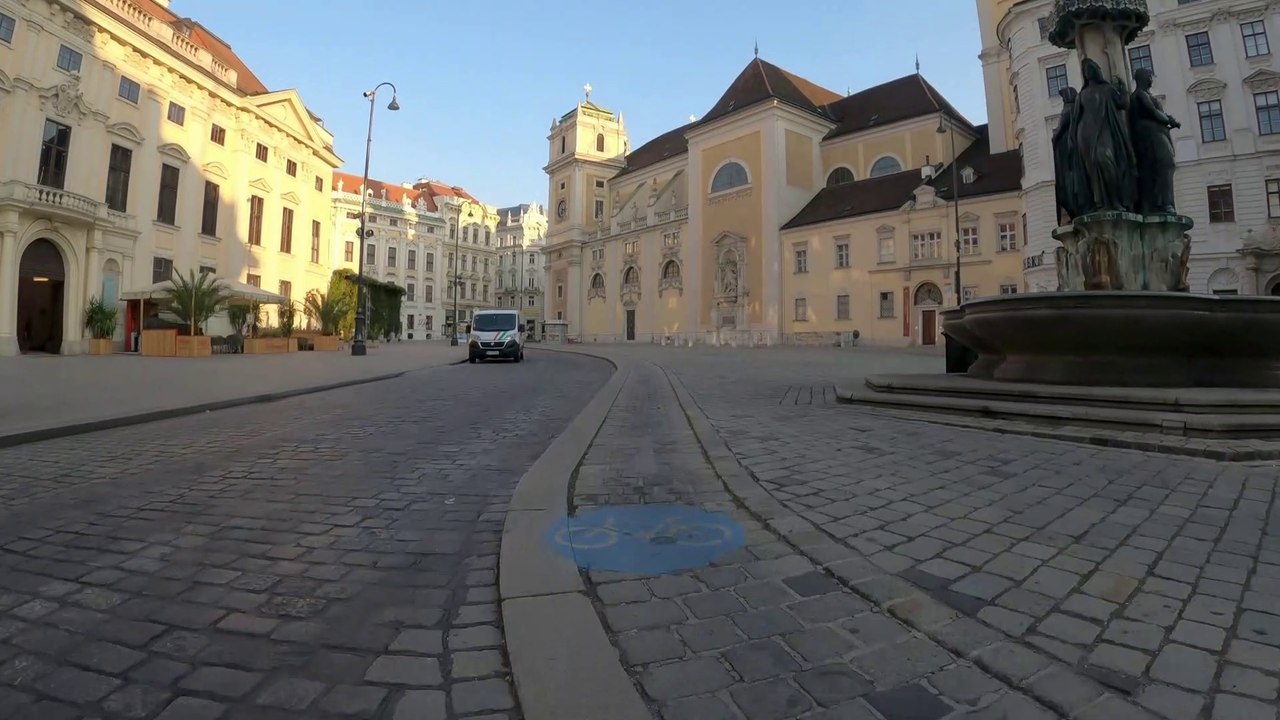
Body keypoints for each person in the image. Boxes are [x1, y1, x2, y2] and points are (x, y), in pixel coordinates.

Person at [1072, 58, 1137, 213]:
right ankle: (1099, 202)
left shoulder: (1107, 89)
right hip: (1086, 134)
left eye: (1091, 69)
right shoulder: (1081, 95)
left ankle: (1115, 201)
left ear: (1097, 71)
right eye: (1086, 70)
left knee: (1107, 163)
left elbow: (1123, 104)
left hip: (1103, 129)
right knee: (1092, 169)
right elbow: (1075, 118)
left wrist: (1123, 90)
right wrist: (1073, 139)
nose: (1088, 72)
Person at [1130, 67, 1181, 214]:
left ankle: (1164, 202)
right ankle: (1163, 204)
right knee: (1165, 164)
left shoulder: (1145, 94)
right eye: (1149, 76)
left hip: (1157, 134)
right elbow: (1153, 112)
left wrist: (1167, 120)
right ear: (1143, 78)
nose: (1151, 79)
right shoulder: (1139, 95)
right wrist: (1170, 120)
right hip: (1150, 136)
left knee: (1165, 166)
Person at [1052, 86, 1087, 221]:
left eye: (1063, 96)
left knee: (1067, 184)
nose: (1063, 99)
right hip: (1072, 148)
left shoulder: (1068, 110)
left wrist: (1054, 138)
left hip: (1065, 149)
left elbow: (1060, 130)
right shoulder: (1077, 109)